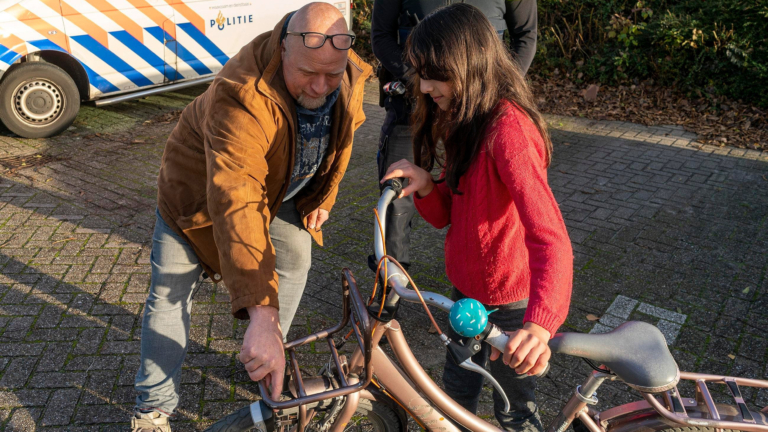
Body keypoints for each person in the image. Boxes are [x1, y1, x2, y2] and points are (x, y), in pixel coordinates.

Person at [130, 3, 372, 431]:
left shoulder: (346, 71)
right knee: (169, 294)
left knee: (296, 256)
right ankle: (153, 409)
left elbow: (344, 134)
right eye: (307, 74)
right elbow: (236, 198)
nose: (320, 87)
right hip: (196, 199)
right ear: (283, 50)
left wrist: (325, 196)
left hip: (277, 192)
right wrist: (261, 312)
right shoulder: (240, 92)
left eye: (331, 75)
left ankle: (264, 353)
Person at [381, 4, 572, 431]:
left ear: (465, 64)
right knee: (456, 394)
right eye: (421, 75)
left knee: (513, 408)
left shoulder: (509, 132)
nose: (425, 87)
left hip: (512, 304)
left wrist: (539, 327)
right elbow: (450, 210)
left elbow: (550, 237)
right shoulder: (463, 118)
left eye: (433, 75)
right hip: (466, 295)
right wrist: (427, 185)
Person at [368, 0, 538, 276]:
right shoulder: (427, 86)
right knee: (397, 203)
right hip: (412, 109)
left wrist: (492, 90)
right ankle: (388, 301)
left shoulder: (509, 129)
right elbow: (381, 35)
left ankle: (488, 281)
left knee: (486, 205)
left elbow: (526, 35)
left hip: (477, 110)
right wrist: (427, 79)